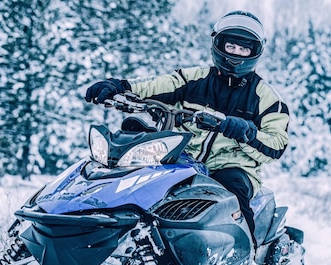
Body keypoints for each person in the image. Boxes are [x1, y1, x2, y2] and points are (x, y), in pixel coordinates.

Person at [85, 10, 289, 250]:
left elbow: (277, 145)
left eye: (243, 49)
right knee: (141, 177)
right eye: (231, 46)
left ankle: (246, 253)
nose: (235, 54)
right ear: (218, 45)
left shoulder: (266, 98)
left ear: (254, 52)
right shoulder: (193, 78)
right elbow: (155, 86)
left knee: (233, 188)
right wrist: (119, 86)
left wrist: (244, 132)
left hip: (231, 166)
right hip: (182, 156)